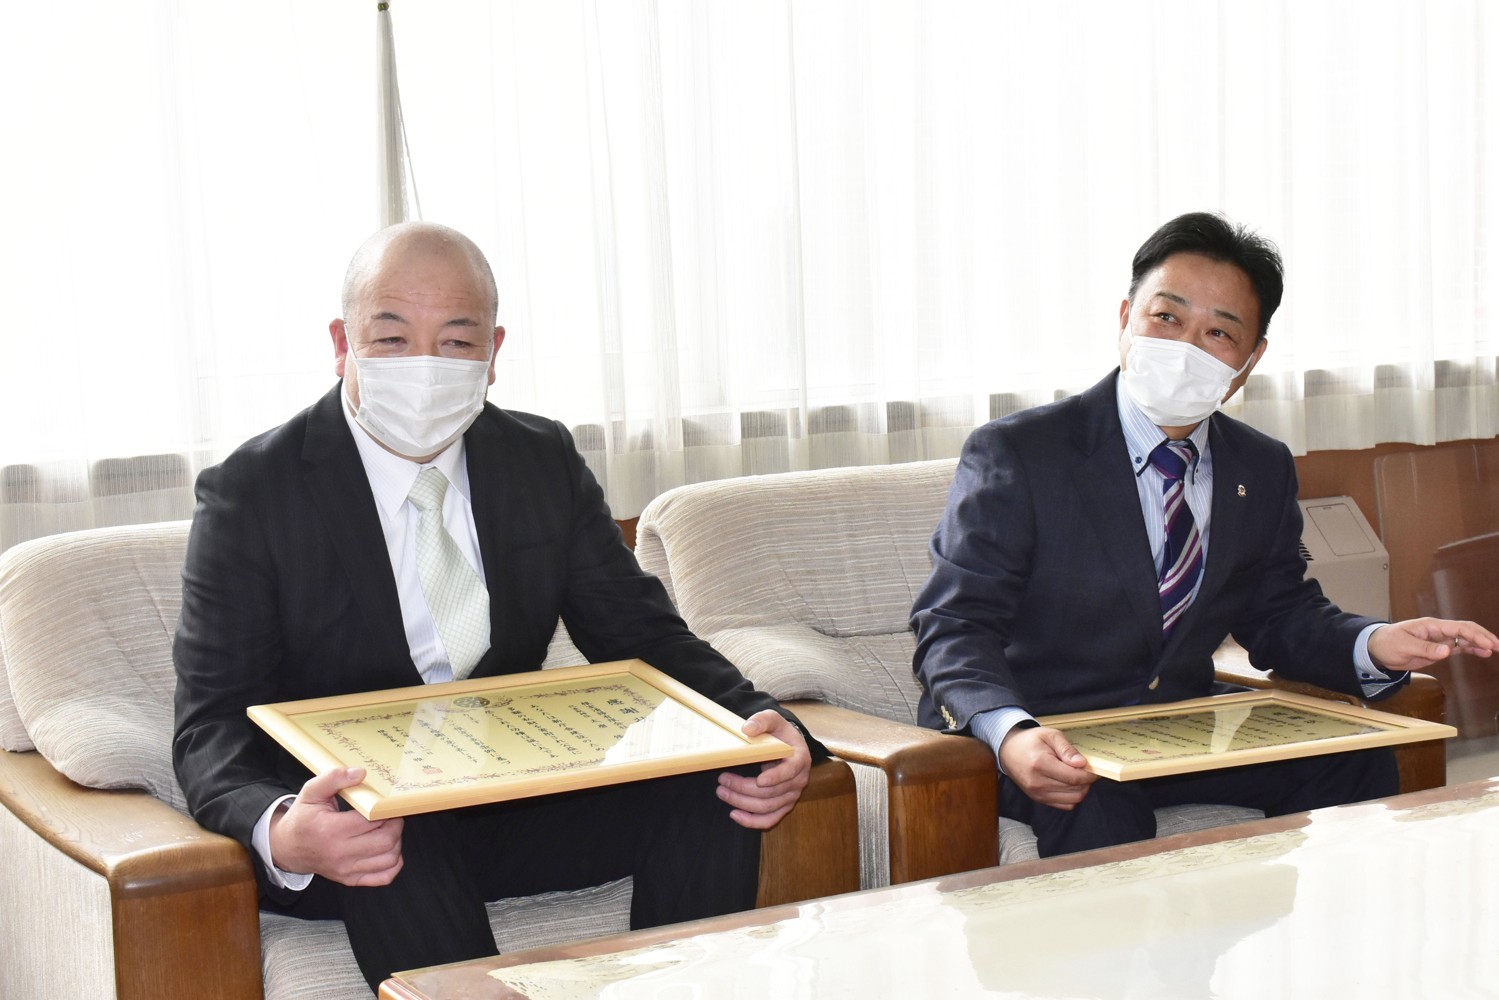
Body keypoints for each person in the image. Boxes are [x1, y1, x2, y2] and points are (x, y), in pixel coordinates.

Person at [172, 221, 820, 993]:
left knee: (715, 781)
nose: (424, 367)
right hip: (361, 826)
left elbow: (641, 634)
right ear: (343, 344)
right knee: (387, 828)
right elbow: (210, 720)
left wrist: (760, 721)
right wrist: (282, 828)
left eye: (455, 342)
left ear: (492, 351)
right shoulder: (253, 492)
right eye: (391, 339)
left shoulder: (539, 460)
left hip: (515, 799)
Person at [910, 211, 1498, 859]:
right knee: (1094, 809)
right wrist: (1010, 731)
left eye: (1218, 332)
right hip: (1045, 728)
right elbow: (955, 623)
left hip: (1179, 727)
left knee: (1356, 759)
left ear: (1250, 359)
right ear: (1125, 318)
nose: (1186, 348)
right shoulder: (1022, 452)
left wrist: (1375, 643)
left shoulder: (1260, 464)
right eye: (1166, 317)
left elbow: (1278, 614)